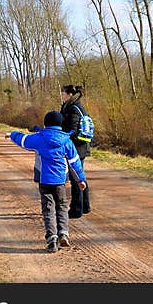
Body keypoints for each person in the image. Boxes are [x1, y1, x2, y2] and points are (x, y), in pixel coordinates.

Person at [6, 110, 87, 253]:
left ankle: (52, 239)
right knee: (62, 207)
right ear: (61, 124)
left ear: (46, 123)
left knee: (48, 209)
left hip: (44, 181)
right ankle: (63, 233)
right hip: (60, 181)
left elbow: (23, 140)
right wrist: (81, 179)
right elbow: (75, 162)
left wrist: (12, 134)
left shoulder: (40, 138)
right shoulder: (66, 140)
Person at [60, 84, 91, 218]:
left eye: (63, 93)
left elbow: (72, 130)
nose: (62, 95)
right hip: (80, 147)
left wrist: (62, 137)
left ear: (69, 94)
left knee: (75, 178)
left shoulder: (73, 109)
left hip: (77, 148)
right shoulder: (76, 106)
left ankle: (76, 210)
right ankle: (85, 206)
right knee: (79, 176)